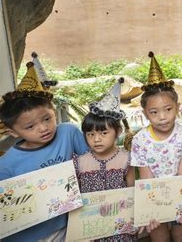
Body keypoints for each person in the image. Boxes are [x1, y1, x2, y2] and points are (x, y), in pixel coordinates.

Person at [0, 62, 88, 241]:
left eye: (47, 119)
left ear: (54, 111)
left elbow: (90, 162)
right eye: (30, 126)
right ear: (13, 132)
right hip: (28, 235)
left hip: (67, 224)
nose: (43, 128)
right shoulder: (6, 165)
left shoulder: (68, 133)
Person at [130, 52, 182, 242]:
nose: (162, 117)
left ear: (177, 107)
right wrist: (149, 210)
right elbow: (146, 178)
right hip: (155, 198)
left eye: (168, 109)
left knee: (180, 235)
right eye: (154, 112)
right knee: (159, 237)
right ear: (145, 113)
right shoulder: (140, 141)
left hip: (181, 195)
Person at [74, 78, 137, 241]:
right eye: (90, 134)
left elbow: (132, 190)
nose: (96, 139)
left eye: (104, 133)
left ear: (118, 132)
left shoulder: (127, 159)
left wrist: (134, 219)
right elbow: (75, 197)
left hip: (120, 226)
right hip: (91, 226)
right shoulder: (79, 162)